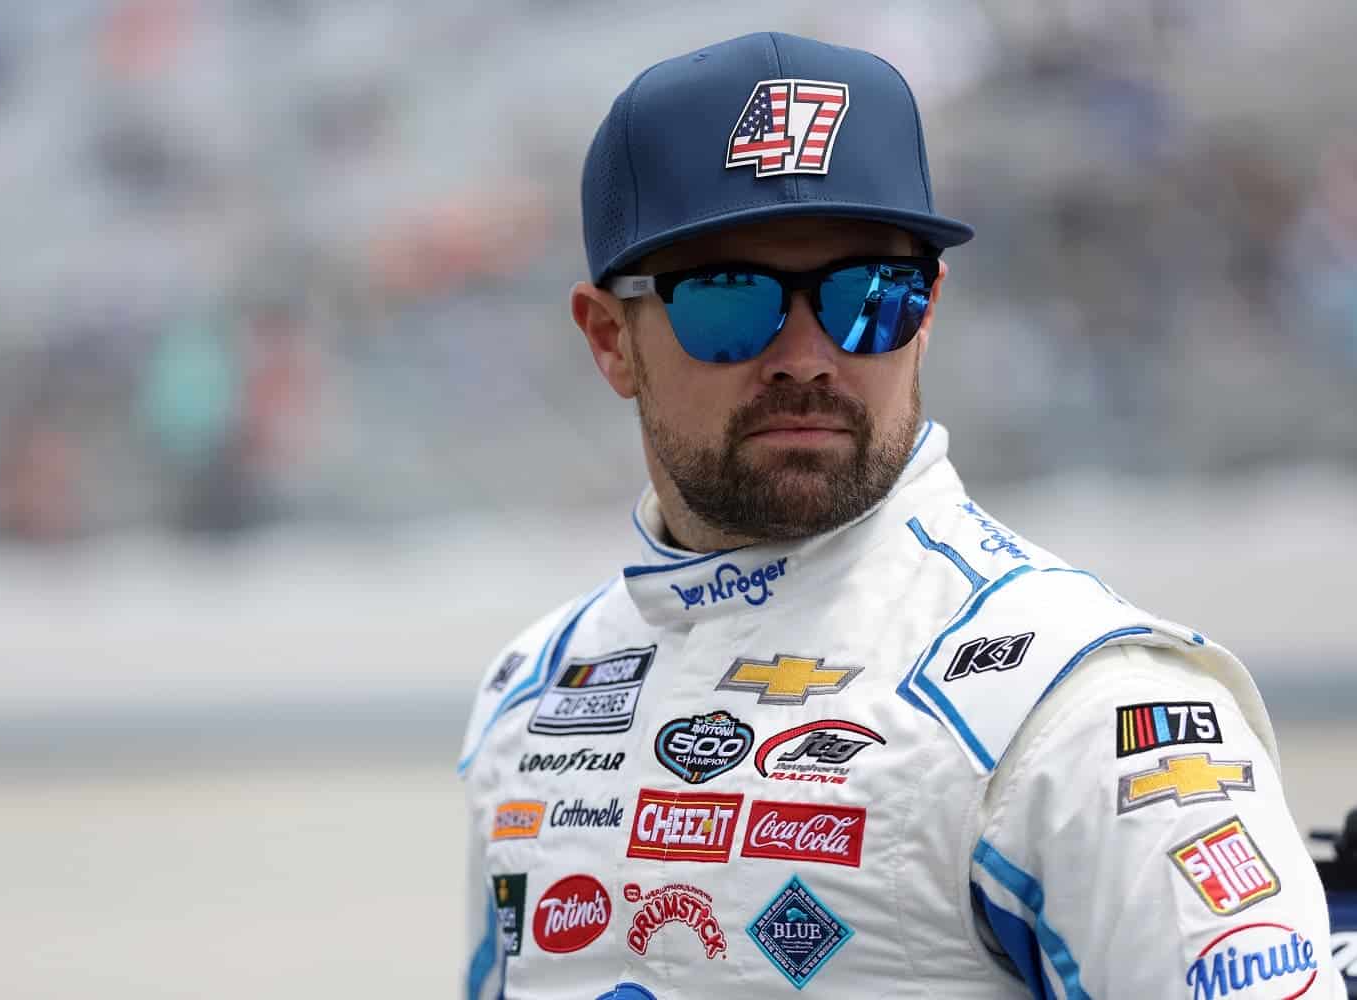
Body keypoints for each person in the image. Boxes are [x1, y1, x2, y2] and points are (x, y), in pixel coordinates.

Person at [458, 31, 1342, 1000]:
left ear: (927, 316)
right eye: (729, 297)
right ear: (608, 338)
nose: (806, 354)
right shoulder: (535, 691)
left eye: (869, 295)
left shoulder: (1084, 705)